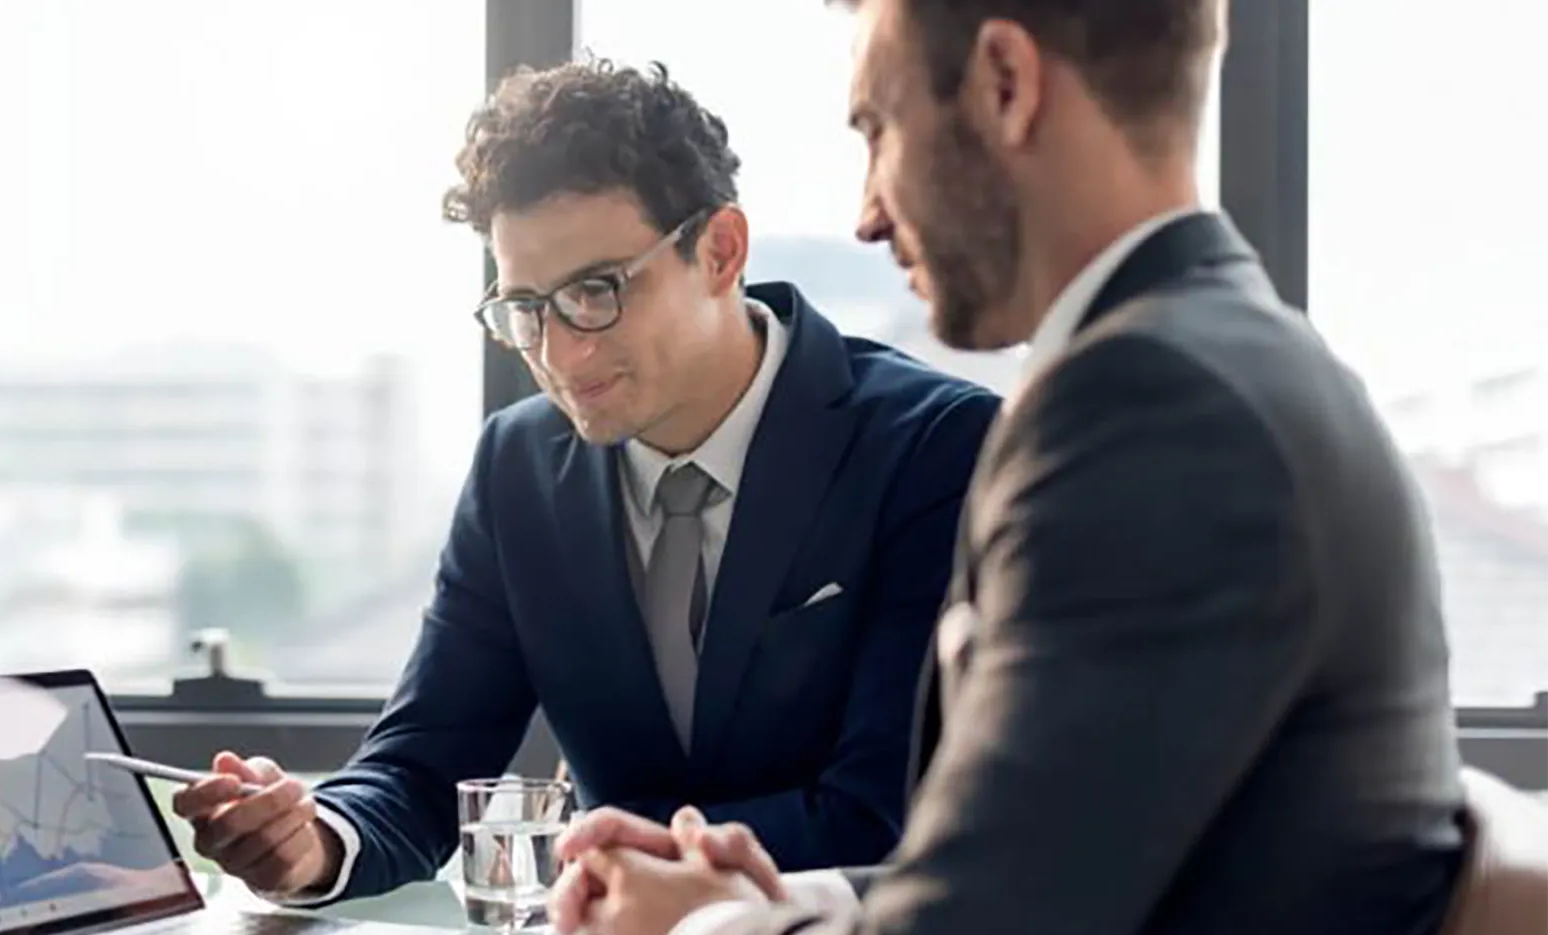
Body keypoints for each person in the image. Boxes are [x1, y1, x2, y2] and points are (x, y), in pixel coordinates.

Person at [545, 2, 1470, 934]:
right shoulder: (1231, 362)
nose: (868, 214)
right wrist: (775, 899)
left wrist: (698, 930)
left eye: (879, 129)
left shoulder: (1150, 409)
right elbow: (1049, 860)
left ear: (1004, 85)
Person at [170, 57, 1000, 906]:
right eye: (526, 308)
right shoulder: (517, 468)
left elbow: (889, 817)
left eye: (597, 292)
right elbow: (423, 763)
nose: (562, 354)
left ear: (720, 250)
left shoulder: (934, 448)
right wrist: (312, 840)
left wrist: (646, 872)